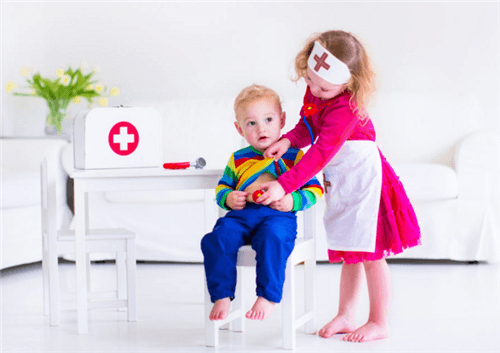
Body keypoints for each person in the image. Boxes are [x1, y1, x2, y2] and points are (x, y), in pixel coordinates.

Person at [257, 30, 421, 342]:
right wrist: (289, 140)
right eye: (310, 82)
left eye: (324, 88)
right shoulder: (319, 90)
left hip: (364, 178)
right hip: (343, 176)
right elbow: (309, 125)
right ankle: (346, 314)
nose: (315, 91)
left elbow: (320, 152)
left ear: (348, 83)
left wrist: (284, 185)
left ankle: (379, 321)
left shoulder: (347, 107)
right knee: (350, 249)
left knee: (371, 254)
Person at [201, 84, 324, 322]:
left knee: (273, 239)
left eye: (268, 119)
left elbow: (315, 190)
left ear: (282, 119)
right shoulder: (238, 159)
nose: (261, 129)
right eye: (251, 123)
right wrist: (228, 197)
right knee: (216, 238)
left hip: (277, 217)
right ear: (239, 129)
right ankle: (222, 295)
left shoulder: (295, 156)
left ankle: (268, 296)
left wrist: (292, 201)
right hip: (241, 218)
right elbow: (223, 187)